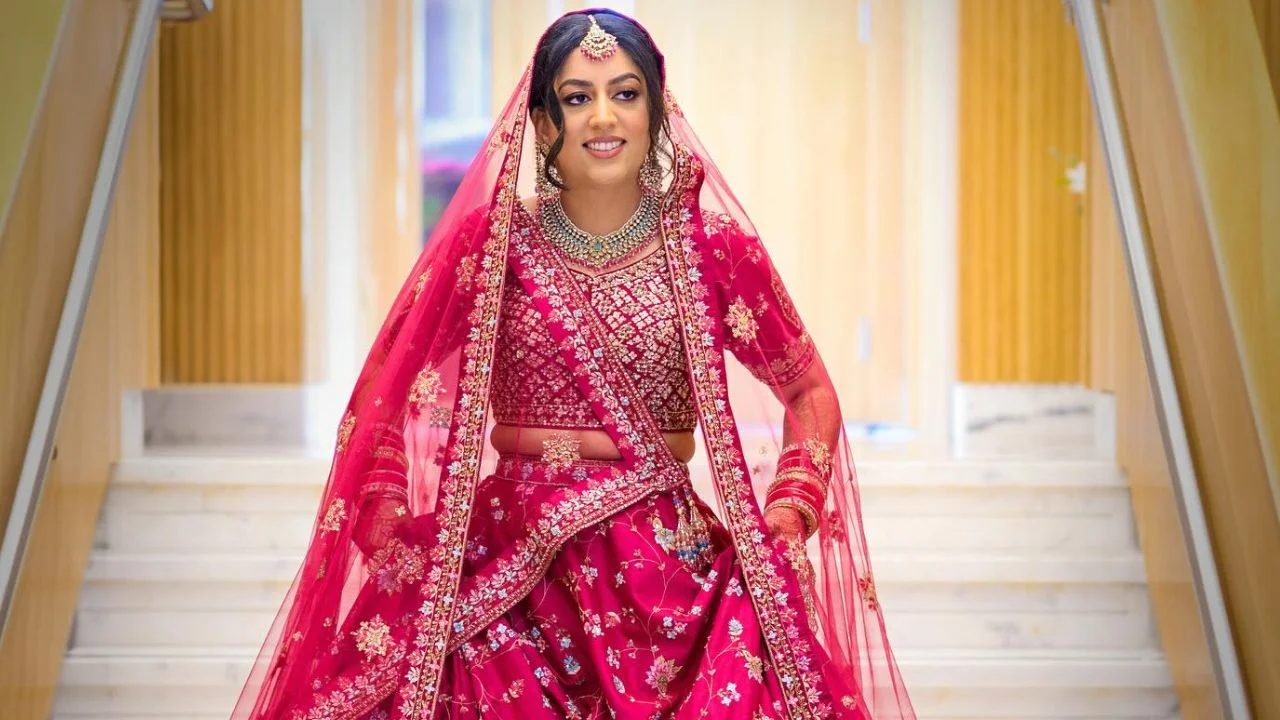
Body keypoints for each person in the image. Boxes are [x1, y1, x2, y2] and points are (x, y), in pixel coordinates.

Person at [231, 9, 914, 719]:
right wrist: (386, 518)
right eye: (576, 97)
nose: (602, 117)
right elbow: (384, 387)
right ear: (544, 121)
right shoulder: (490, 246)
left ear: (656, 107)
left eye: (624, 93)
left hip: (666, 569)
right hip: (504, 554)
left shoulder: (711, 249)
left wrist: (787, 513)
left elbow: (809, 389)